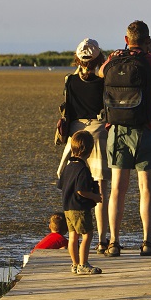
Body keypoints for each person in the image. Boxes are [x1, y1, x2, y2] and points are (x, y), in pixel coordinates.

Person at [99, 20, 151, 258]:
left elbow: (101, 73)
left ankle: (113, 242)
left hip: (118, 130)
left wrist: (115, 57)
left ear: (126, 39)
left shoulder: (114, 59)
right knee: (146, 190)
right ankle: (146, 242)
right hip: (147, 130)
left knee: (117, 190)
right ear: (148, 40)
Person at [56, 38, 111, 253]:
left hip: (75, 135)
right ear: (99, 57)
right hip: (99, 132)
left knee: (74, 185)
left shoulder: (69, 80)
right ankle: (102, 240)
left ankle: (76, 238)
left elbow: (67, 109)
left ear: (78, 57)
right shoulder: (103, 81)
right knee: (100, 190)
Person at [57, 130, 104, 275]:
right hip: (79, 208)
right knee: (87, 234)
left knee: (73, 236)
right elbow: (81, 191)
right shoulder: (82, 169)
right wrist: (95, 197)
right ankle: (83, 264)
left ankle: (75, 264)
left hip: (67, 207)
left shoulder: (68, 167)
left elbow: (61, 185)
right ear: (89, 151)